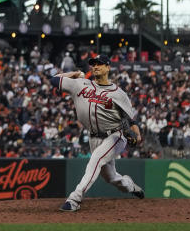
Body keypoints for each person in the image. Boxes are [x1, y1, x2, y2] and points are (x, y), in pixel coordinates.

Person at [50, 56, 145, 212]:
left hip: (115, 136)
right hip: (93, 137)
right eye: (93, 64)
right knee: (111, 177)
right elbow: (54, 80)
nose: (95, 66)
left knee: (96, 159)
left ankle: (74, 199)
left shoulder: (119, 94)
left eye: (99, 64)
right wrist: (73, 73)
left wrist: (138, 136)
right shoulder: (80, 84)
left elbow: (131, 120)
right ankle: (130, 186)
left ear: (108, 68)